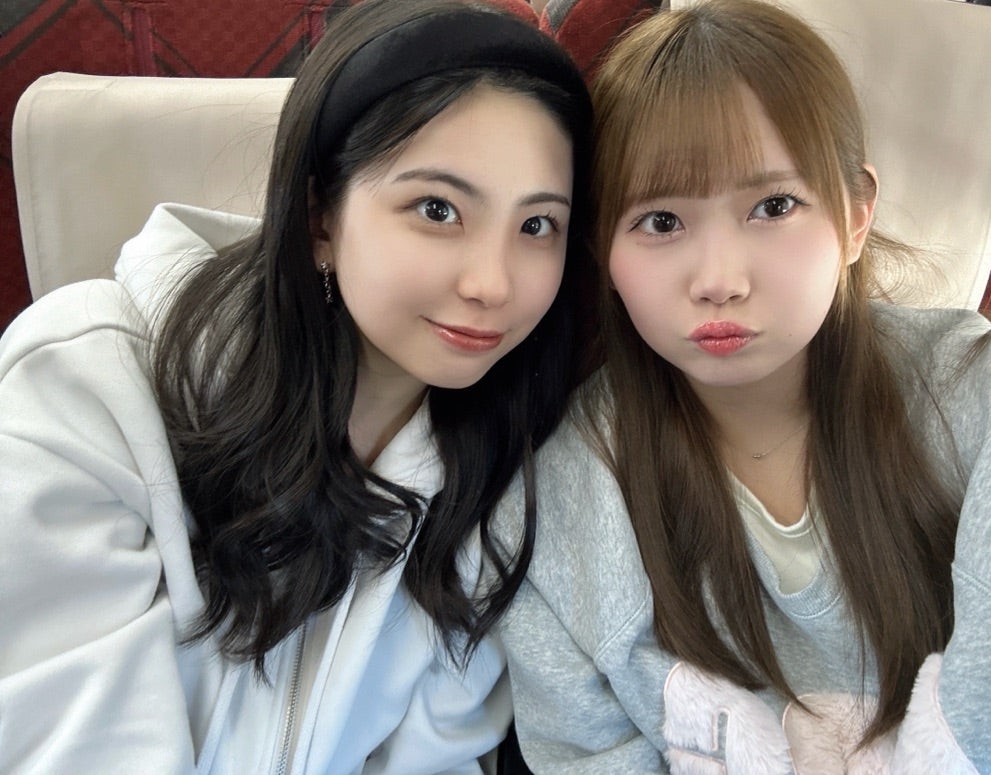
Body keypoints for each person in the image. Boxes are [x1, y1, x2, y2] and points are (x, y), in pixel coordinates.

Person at [0, 0, 593, 771]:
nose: (494, 283)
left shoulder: (504, 481)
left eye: (537, 224)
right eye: (438, 209)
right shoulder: (83, 387)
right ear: (320, 217)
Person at [493, 0, 991, 772]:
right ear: (603, 248)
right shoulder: (553, 514)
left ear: (856, 217)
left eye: (774, 206)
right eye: (661, 222)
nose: (719, 280)